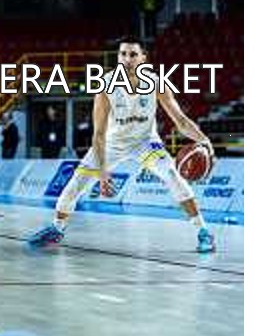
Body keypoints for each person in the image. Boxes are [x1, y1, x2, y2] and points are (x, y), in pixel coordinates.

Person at [28, 36, 217, 253]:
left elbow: (181, 121)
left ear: (143, 58)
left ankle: (203, 232)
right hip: (110, 144)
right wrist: (102, 172)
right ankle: (57, 228)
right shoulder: (106, 85)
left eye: (133, 54)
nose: (127, 59)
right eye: (123, 54)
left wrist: (205, 141)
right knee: (74, 186)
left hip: (145, 143)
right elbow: (98, 134)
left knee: (172, 176)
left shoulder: (157, 83)